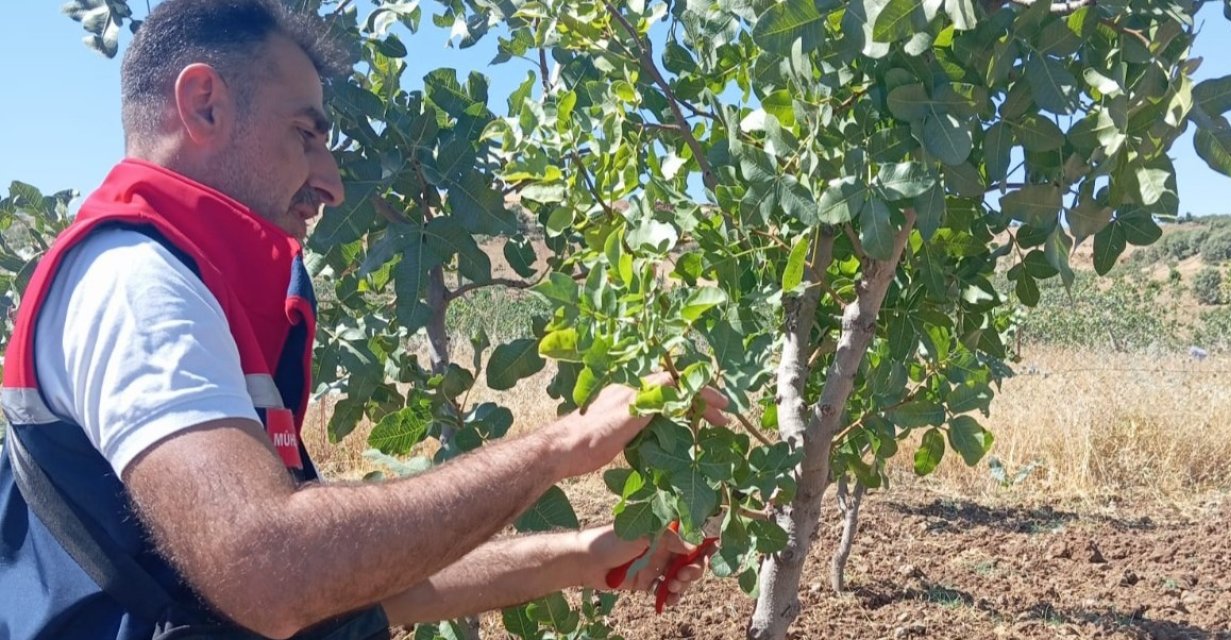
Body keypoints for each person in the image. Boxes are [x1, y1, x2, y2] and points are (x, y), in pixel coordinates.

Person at [0, 1, 726, 638]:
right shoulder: (135, 285)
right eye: (306, 134)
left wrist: (583, 555)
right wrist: (565, 445)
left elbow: (340, 583)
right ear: (205, 106)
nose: (333, 183)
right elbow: (274, 574)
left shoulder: (204, 291)